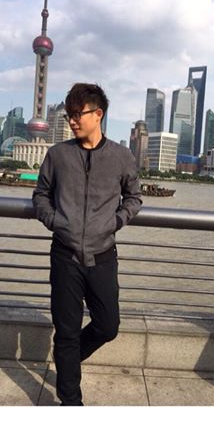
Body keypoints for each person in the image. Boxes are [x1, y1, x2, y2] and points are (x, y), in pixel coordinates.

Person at [32, 83, 143, 406]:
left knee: (108, 326)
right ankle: (71, 402)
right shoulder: (58, 155)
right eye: (69, 115)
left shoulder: (121, 156)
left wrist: (115, 222)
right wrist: (56, 221)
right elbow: (40, 195)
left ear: (98, 114)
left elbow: (134, 197)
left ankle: (67, 361)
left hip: (103, 256)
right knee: (66, 332)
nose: (72, 120)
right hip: (65, 255)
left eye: (78, 114)